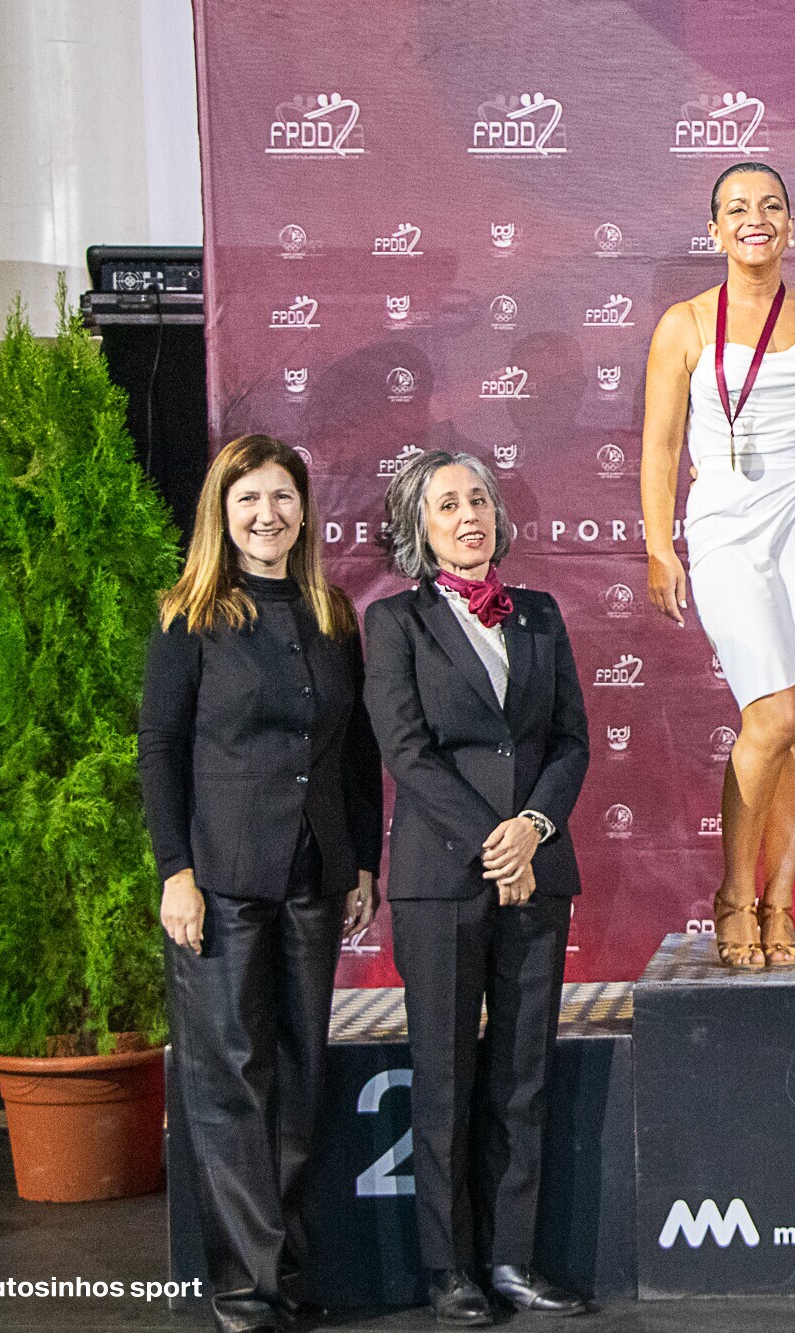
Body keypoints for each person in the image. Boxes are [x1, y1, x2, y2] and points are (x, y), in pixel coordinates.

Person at [139, 434, 382, 1333]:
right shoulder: (190, 615)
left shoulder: (332, 614)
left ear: (304, 510)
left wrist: (362, 860)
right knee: (232, 1080)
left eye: (281, 496)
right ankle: (247, 1292)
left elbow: (356, 751)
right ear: (222, 512)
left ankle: (284, 1273)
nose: (266, 514)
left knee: (299, 1073)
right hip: (221, 882)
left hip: (313, 877)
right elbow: (159, 749)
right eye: (248, 499)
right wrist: (175, 871)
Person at [641, 161, 795, 970]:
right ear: (714, 228)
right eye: (739, 207)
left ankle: (779, 902)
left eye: (772, 205)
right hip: (730, 526)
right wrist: (658, 545)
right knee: (771, 717)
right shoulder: (683, 323)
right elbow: (661, 446)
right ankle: (732, 895)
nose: (757, 218)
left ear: (790, 223)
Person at [362, 451, 591, 1324]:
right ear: (419, 528)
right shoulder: (394, 622)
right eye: (448, 505)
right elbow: (406, 750)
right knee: (446, 1073)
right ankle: (449, 1266)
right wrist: (496, 844)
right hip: (443, 876)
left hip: (539, 870)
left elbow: (570, 740)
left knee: (522, 1075)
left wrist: (532, 828)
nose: (468, 516)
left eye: (479, 500)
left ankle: (513, 1258)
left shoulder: (540, 613)